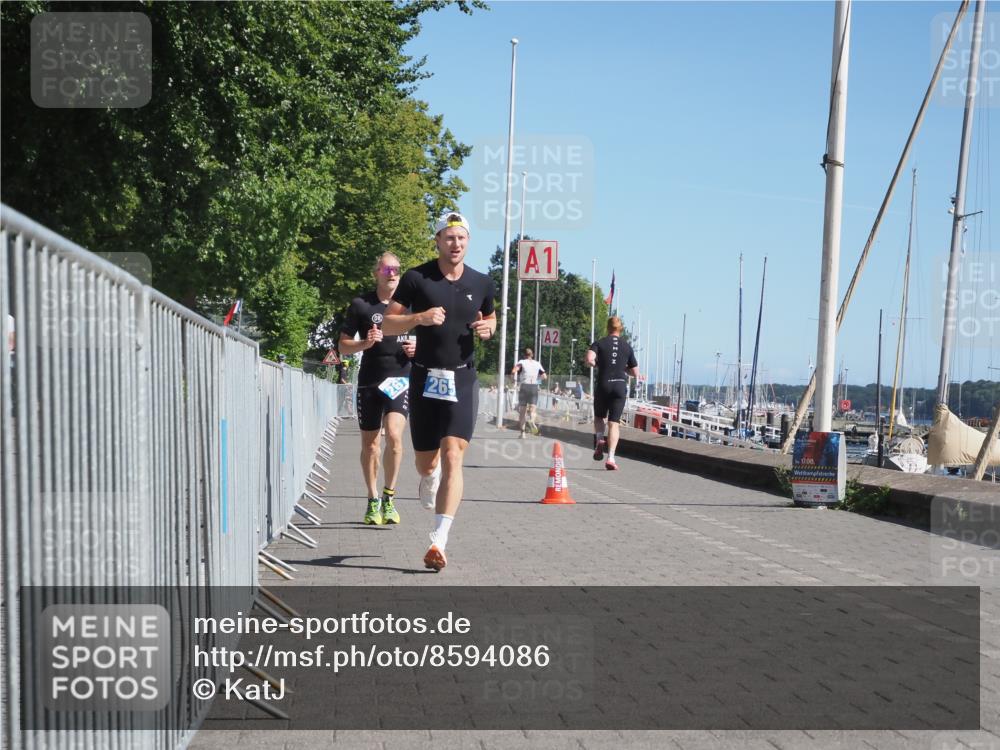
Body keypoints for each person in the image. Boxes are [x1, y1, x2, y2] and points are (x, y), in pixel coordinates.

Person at [383, 211, 496, 572]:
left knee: (453, 455)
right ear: (438, 241)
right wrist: (418, 318)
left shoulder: (482, 282)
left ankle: (439, 540)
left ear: (468, 241)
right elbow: (387, 323)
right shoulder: (417, 278)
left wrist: (488, 328)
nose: (456, 244)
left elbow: (490, 317)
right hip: (425, 379)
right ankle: (427, 478)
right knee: (426, 461)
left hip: (463, 379)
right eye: (449, 238)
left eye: (461, 238)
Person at [339, 252, 416, 526]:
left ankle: (389, 496)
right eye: (386, 269)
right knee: (371, 445)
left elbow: (434, 342)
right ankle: (372, 500)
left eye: (396, 269)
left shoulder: (411, 307)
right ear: (377, 273)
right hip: (370, 380)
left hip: (400, 379)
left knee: (395, 436)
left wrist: (418, 350)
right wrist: (364, 344)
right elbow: (342, 346)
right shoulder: (361, 305)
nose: (392, 273)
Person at [585, 316, 639, 470]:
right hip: (620, 386)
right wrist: (623, 368)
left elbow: (589, 359)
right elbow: (635, 372)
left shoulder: (599, 343)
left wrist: (597, 364)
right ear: (620, 329)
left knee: (599, 417)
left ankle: (600, 439)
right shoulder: (627, 347)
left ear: (607, 328)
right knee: (614, 423)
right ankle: (611, 458)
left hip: (603, 384)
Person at [511, 347, 546, 438]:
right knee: (533, 409)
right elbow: (544, 376)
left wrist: (514, 380)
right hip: (534, 387)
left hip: (524, 386)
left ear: (524, 355)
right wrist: (537, 380)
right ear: (532, 355)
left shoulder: (522, 362)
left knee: (522, 412)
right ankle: (532, 421)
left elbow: (514, 370)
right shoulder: (537, 363)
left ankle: (522, 433)